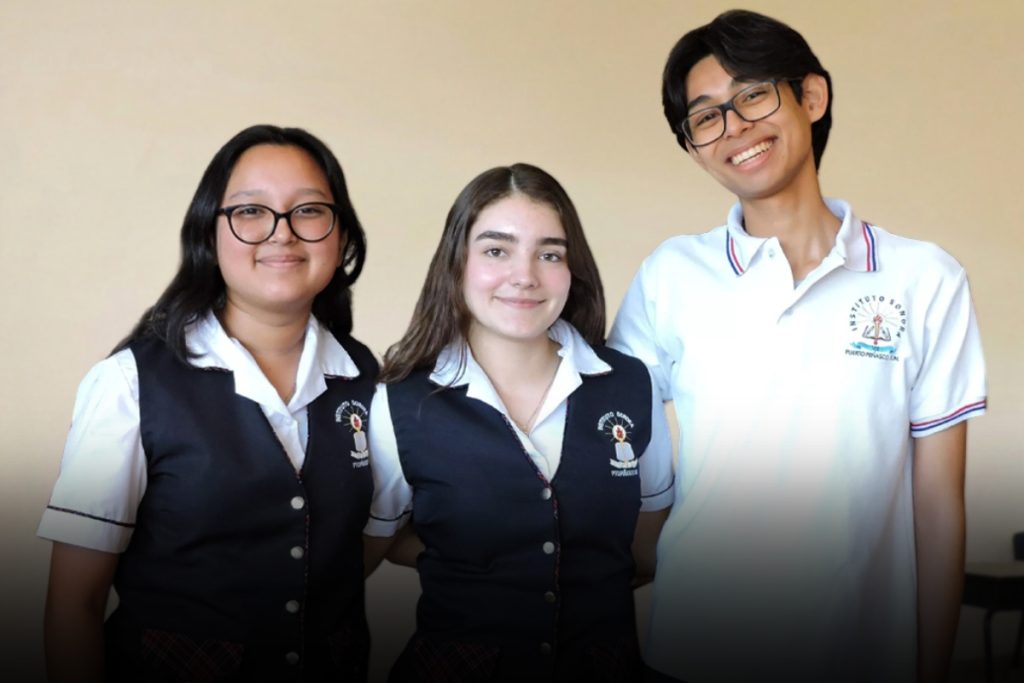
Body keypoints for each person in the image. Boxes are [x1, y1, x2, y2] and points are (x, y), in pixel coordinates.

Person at [609, 10, 987, 683]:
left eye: (753, 95)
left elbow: (938, 505)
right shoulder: (670, 275)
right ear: (693, 147)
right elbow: (617, 437)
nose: (735, 128)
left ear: (811, 96)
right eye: (706, 117)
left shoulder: (925, 279)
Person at [39, 125, 378, 683]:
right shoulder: (129, 383)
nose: (282, 233)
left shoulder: (369, 379)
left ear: (341, 234)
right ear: (209, 232)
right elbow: (74, 606)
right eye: (251, 212)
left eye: (309, 211)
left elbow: (380, 537)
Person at [364, 163, 673, 682]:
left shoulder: (631, 385)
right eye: (496, 251)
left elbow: (645, 553)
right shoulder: (399, 403)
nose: (525, 276)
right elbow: (378, 543)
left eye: (549, 254)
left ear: (572, 269)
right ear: (456, 262)